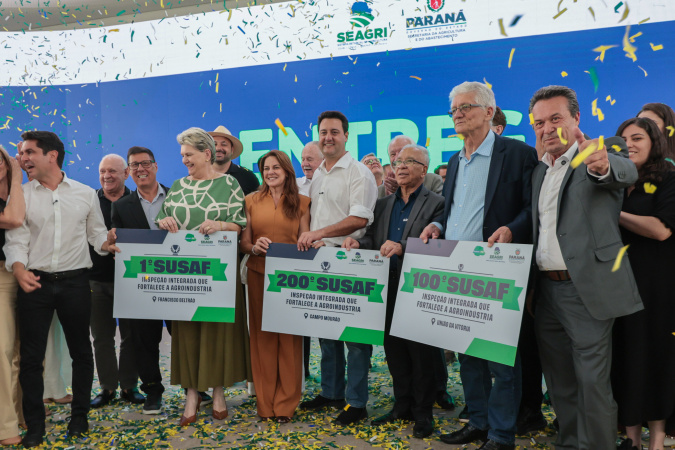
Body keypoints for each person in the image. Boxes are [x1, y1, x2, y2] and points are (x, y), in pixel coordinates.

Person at [420, 81, 537, 450]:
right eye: (453, 109)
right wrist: (438, 226)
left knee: (501, 361)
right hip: (458, 270)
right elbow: (454, 210)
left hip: (497, 270)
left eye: (465, 107)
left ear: (489, 111)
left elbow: (531, 209)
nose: (457, 114)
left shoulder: (518, 153)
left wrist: (512, 228)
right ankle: (478, 422)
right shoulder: (455, 160)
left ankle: (502, 435)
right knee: (468, 354)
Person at [529, 85, 641, 450]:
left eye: (556, 118)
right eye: (539, 122)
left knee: (592, 383)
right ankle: (570, 443)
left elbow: (623, 172)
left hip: (586, 290)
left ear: (576, 118)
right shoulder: (540, 172)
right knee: (559, 382)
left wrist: (603, 165)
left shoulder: (599, 152)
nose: (547, 128)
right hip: (546, 291)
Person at [4, 131, 119, 448]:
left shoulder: (85, 193)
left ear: (51, 155)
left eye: (29, 152)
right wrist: (19, 269)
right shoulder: (22, 195)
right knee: (31, 359)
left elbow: (96, 235)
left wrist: (107, 243)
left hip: (76, 284)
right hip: (35, 284)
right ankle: (35, 427)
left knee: (82, 352)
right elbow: (16, 241)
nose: (22, 158)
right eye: (22, 153)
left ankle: (79, 417)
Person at [344, 143, 444, 439]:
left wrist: (403, 247)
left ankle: (423, 413)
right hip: (385, 288)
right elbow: (373, 239)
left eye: (409, 161)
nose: (400, 166)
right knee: (395, 352)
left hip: (418, 291)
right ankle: (402, 406)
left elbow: (440, 245)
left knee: (421, 356)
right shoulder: (383, 203)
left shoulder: (437, 203)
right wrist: (358, 243)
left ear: (424, 170)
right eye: (398, 161)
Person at [156, 127, 251, 426]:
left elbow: (239, 224)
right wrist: (164, 221)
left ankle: (219, 392)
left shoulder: (230, 184)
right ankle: (192, 395)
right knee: (187, 332)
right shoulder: (177, 186)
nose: (184, 160)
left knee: (218, 331)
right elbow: (163, 219)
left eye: (189, 154)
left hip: (220, 272)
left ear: (206, 154)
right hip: (185, 274)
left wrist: (220, 224)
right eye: (182, 155)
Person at [297, 110, 377, 426]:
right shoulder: (318, 174)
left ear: (346, 135)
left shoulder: (358, 172)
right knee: (326, 333)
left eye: (334, 132)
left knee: (355, 340)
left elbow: (359, 218)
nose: (328, 137)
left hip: (351, 261)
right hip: (321, 262)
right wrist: (310, 236)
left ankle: (356, 403)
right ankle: (331, 393)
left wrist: (318, 233)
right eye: (323, 132)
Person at [612, 117, 675, 450]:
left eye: (637, 138)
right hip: (618, 285)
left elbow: (661, 230)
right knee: (626, 358)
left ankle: (658, 439)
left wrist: (613, 213)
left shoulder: (669, 178)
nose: (629, 145)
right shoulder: (614, 182)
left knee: (655, 358)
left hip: (657, 287)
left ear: (654, 142)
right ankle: (632, 438)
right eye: (623, 139)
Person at [240, 150, 310, 423]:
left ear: (287, 170)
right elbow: (244, 243)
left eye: (275, 167)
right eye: (266, 168)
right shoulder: (251, 201)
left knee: (290, 341)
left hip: (291, 280)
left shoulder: (303, 202)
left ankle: (285, 405)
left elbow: (306, 239)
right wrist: (254, 247)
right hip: (258, 274)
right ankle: (265, 404)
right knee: (262, 340)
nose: (270, 172)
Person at [109, 146, 171, 415]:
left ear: (155, 166)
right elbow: (118, 246)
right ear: (129, 171)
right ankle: (153, 390)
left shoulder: (176, 197)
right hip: (143, 286)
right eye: (134, 165)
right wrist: (113, 246)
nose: (140, 169)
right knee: (145, 340)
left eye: (145, 163)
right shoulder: (121, 206)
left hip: (179, 284)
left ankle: (194, 387)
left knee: (184, 336)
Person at [89, 154, 143, 409]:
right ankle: (107, 387)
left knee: (131, 337)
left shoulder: (136, 200)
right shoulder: (89, 200)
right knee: (101, 337)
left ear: (126, 174)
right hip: (96, 280)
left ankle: (129, 386)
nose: (106, 175)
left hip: (131, 280)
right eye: (102, 171)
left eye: (112, 171)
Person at [0, 146, 25, 447]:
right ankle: (5, 425)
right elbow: (15, 219)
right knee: (3, 352)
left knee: (24, 352)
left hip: (25, 273)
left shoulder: (22, 192)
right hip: (1, 278)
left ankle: (21, 412)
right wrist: (17, 178)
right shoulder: (20, 187)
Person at [379, 135, 443, 198]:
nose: (397, 159)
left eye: (402, 152)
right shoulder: (380, 191)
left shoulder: (432, 181)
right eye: (393, 154)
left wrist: (402, 192)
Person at [209, 125, 260, 195]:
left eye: (224, 144)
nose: (218, 148)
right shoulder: (199, 175)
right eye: (214, 144)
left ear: (232, 149)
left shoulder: (247, 176)